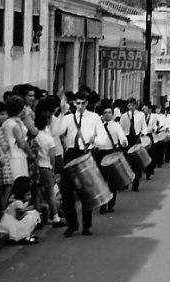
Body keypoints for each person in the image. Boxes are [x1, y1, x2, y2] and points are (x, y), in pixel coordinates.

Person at [55, 90, 102, 236]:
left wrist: (95, 141)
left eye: (83, 103)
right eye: (77, 103)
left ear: (87, 103)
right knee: (67, 192)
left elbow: (103, 138)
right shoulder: (68, 118)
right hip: (70, 154)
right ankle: (72, 225)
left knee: (86, 191)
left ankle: (86, 226)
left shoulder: (94, 117)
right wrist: (61, 113)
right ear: (74, 103)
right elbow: (57, 131)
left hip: (85, 153)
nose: (80, 106)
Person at [94, 103, 127, 214]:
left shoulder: (116, 125)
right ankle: (103, 204)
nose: (107, 115)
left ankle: (110, 204)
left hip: (111, 153)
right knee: (102, 180)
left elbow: (122, 136)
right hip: (100, 153)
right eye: (105, 113)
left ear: (112, 114)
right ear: (102, 114)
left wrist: (123, 142)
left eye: (109, 113)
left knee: (112, 181)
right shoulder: (98, 126)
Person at [0, 176, 41, 244]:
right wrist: (26, 213)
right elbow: (19, 217)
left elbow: (29, 208)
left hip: (14, 220)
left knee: (32, 214)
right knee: (30, 218)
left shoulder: (21, 201)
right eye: (28, 195)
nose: (30, 197)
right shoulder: (18, 203)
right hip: (13, 222)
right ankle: (25, 237)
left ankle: (27, 234)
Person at [119, 98, 147, 191]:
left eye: (132, 105)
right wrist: (122, 140)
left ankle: (136, 184)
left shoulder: (141, 115)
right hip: (127, 139)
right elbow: (121, 129)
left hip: (136, 138)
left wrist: (143, 133)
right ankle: (125, 182)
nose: (131, 107)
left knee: (136, 163)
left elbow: (144, 126)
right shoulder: (123, 116)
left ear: (136, 105)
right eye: (129, 105)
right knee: (126, 162)